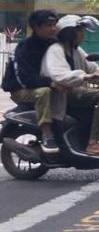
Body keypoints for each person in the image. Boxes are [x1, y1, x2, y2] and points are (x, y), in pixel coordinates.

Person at [41, 15, 99, 157]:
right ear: (70, 33)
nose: (83, 35)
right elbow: (59, 75)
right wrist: (84, 76)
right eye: (80, 31)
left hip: (76, 89)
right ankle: (93, 144)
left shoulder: (75, 50)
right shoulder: (56, 50)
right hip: (63, 93)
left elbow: (92, 67)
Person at [2, 9, 60, 150]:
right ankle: (46, 132)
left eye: (54, 25)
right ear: (36, 27)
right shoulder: (25, 46)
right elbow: (24, 79)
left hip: (49, 85)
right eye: (48, 25)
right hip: (21, 89)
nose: (53, 29)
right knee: (43, 92)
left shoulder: (55, 44)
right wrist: (50, 82)